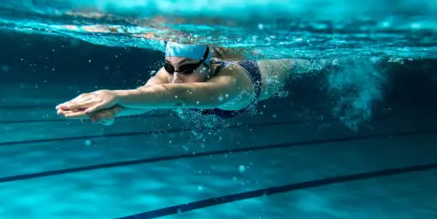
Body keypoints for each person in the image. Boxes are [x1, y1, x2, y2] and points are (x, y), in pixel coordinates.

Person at [56, 41, 299, 125]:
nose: (174, 78)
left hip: (270, 70)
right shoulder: (171, 76)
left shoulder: (231, 81)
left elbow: (179, 96)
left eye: (186, 69)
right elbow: (148, 97)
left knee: (297, 60)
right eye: (169, 67)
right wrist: (112, 112)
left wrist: (114, 95)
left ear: (210, 64)